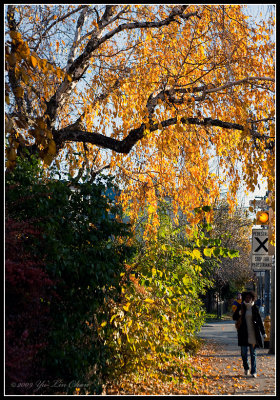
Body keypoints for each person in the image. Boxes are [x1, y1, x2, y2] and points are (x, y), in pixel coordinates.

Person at [233, 291, 266, 378]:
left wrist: (263, 333)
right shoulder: (241, 307)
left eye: (249, 298)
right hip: (243, 334)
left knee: (253, 354)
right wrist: (238, 313)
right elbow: (234, 317)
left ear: (252, 298)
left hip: (253, 334)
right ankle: (246, 368)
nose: (248, 299)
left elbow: (259, 321)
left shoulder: (255, 308)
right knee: (244, 353)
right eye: (246, 298)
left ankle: (254, 371)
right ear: (244, 298)